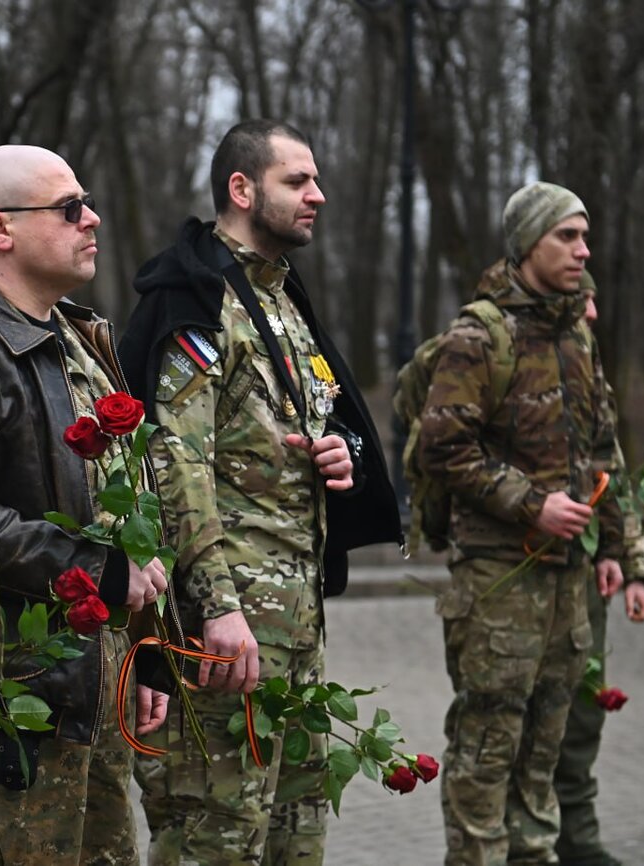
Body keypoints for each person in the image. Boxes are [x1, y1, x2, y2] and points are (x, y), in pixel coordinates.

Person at [118, 119, 403, 865]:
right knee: (216, 836)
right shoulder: (201, 299)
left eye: (315, 179)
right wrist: (216, 604)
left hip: (294, 629)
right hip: (229, 634)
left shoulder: (277, 299)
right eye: (297, 181)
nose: (319, 195)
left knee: (295, 831)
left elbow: (295, 427)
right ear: (242, 190)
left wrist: (345, 455)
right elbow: (176, 460)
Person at [0, 144, 174, 865]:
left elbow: (121, 508)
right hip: (14, 707)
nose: (92, 219)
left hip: (90, 693)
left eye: (89, 201)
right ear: (0, 229)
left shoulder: (77, 334)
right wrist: (100, 572)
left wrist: (143, 648)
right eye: (70, 209)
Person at [421, 181, 627, 865]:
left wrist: (617, 549)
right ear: (528, 242)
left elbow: (603, 450)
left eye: (585, 235)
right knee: (488, 745)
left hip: (567, 577)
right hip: (497, 578)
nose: (582, 250)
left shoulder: (577, 337)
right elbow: (443, 447)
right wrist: (531, 502)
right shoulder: (479, 336)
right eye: (566, 236)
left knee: (544, 746)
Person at [553, 273, 644, 866]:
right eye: (583, 300)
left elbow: (609, 467)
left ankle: (580, 841)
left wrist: (628, 560)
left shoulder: (588, 366)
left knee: (583, 714)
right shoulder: (496, 347)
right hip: (526, 569)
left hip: (588, 567)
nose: (593, 311)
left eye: (595, 298)